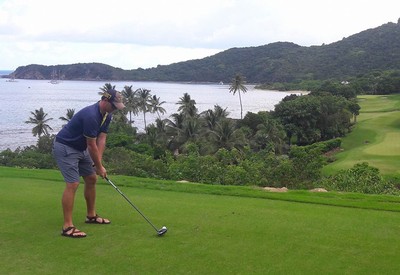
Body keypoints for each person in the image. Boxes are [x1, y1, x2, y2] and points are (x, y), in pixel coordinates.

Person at [53, 89, 125, 238]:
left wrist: (98, 162)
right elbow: (91, 144)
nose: (115, 110)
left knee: (92, 178)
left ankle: (91, 216)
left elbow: (102, 139)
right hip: (66, 146)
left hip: (81, 148)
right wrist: (98, 166)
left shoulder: (107, 115)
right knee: (73, 184)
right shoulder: (91, 115)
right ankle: (67, 226)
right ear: (105, 101)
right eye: (113, 106)